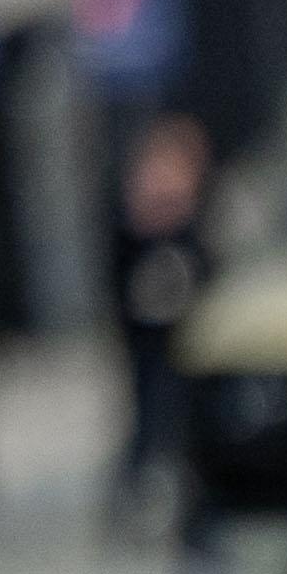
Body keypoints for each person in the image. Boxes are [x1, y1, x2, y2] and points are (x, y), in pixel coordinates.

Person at [108, 113, 212, 546]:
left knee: (187, 426)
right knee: (145, 422)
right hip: (146, 339)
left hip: (185, 341)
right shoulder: (131, 232)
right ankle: (129, 505)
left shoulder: (195, 229)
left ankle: (193, 513)